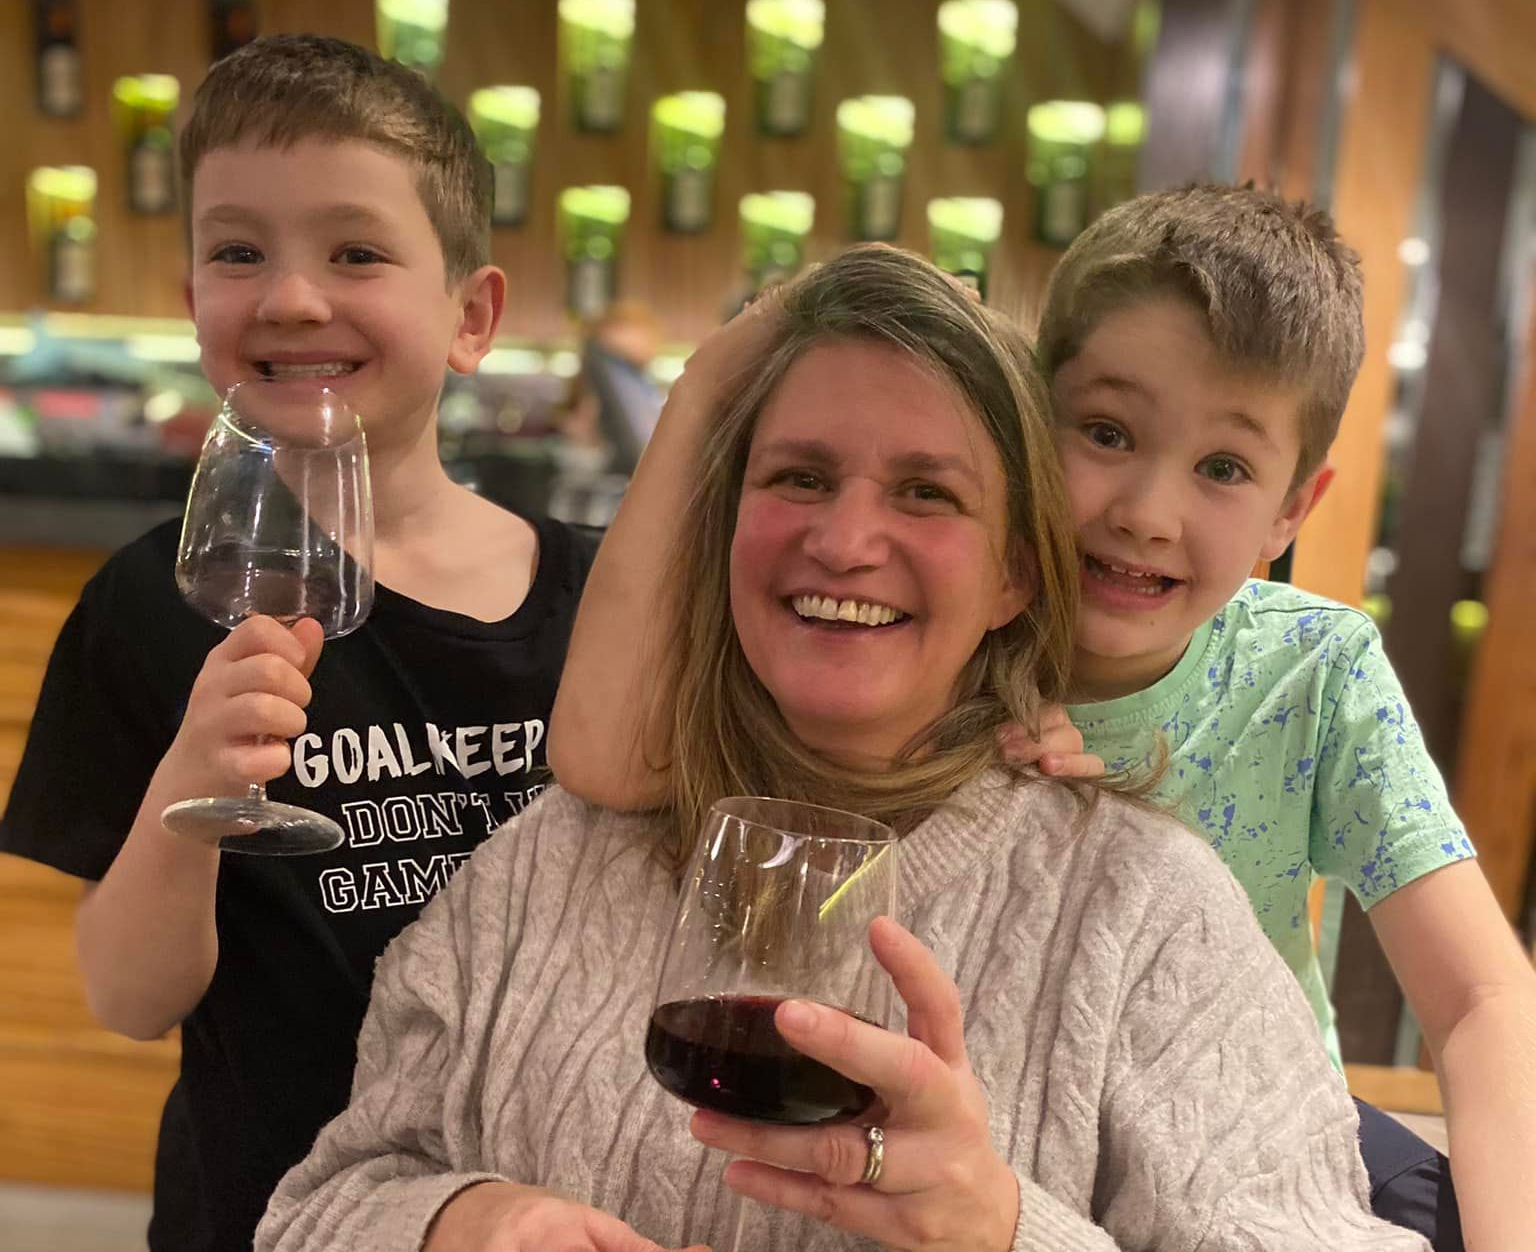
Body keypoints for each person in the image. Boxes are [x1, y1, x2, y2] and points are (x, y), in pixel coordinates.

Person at [258, 246, 1427, 1252]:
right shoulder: (549, 861)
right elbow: (322, 1200)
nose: (846, 537)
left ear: (1016, 573)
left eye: (926, 493)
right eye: (801, 476)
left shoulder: (1134, 913)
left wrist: (1001, 1223)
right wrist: (459, 1219)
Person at [548, 188, 1536, 1251]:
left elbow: (1481, 994)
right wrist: (711, 384)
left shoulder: (1316, 671)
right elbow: (607, 751)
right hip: (979, 1136)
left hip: (1236, 1145)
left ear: (1293, 509)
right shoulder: (932, 635)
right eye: (1106, 433)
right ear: (1025, 429)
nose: (1146, 513)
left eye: (1224, 468)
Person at [0, 34, 598, 1252]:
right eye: (237, 251)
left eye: (356, 252)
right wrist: (192, 785)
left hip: (551, 1207)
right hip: (267, 1212)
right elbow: (126, 994)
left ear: (472, 315)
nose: (288, 296)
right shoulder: (146, 606)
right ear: (193, 306)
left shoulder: (607, 598)